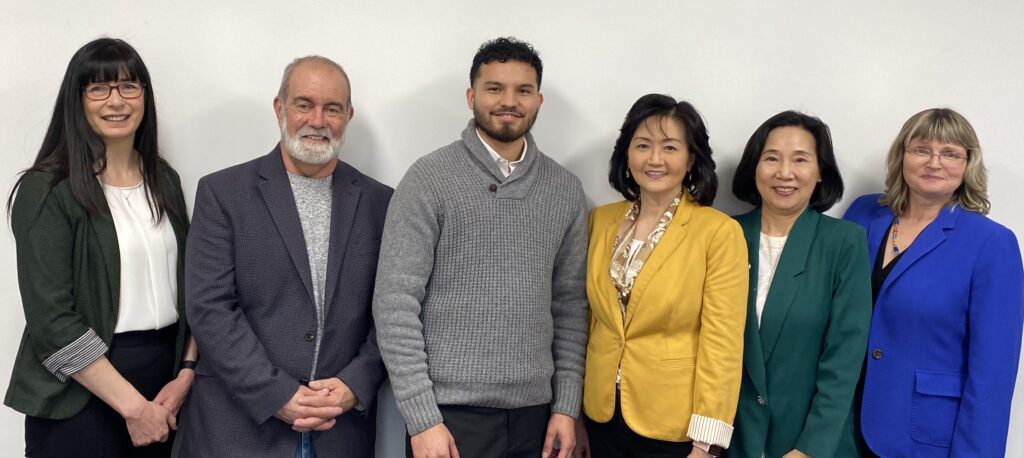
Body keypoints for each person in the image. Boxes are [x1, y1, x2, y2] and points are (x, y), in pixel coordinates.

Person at [373, 37, 588, 458]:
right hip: (449, 418)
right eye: (495, 88)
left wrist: (566, 407)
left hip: (537, 417)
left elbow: (571, 308)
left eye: (523, 90)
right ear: (472, 96)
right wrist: (423, 420)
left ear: (538, 100)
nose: (509, 101)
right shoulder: (429, 179)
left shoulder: (565, 190)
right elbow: (395, 304)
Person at [177, 55, 391, 458]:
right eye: (304, 104)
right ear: (280, 108)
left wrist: (355, 385)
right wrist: (276, 394)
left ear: (349, 115)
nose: (317, 120)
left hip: (340, 432)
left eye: (332, 108)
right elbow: (209, 307)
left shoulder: (382, 203)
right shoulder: (223, 193)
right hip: (238, 431)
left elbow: (392, 313)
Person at [5, 38, 196, 457]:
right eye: (98, 88)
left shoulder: (165, 181)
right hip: (80, 394)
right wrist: (133, 407)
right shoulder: (46, 189)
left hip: (163, 387)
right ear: (77, 100)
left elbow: (195, 283)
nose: (117, 101)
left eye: (129, 86)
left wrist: (185, 374)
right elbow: (51, 320)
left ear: (144, 96)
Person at [844, 108, 1023, 457]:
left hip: (922, 436)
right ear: (902, 156)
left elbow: (992, 375)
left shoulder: (991, 244)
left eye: (951, 153)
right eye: (922, 149)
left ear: (968, 164)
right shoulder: (863, 214)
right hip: (841, 425)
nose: (934, 162)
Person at [575, 94, 747, 458]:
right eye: (642, 146)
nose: (654, 159)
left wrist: (706, 442)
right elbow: (590, 321)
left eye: (670, 147)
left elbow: (723, 342)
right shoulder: (600, 221)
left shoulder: (717, 232)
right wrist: (575, 413)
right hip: (601, 415)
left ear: (690, 159)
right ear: (626, 154)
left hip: (674, 426)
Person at [728, 111, 871, 458]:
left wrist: (810, 449)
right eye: (772, 158)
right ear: (754, 167)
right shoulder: (724, 234)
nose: (785, 173)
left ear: (820, 171)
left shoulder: (844, 241)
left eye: (800, 160)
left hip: (810, 443)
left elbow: (845, 358)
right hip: (731, 440)